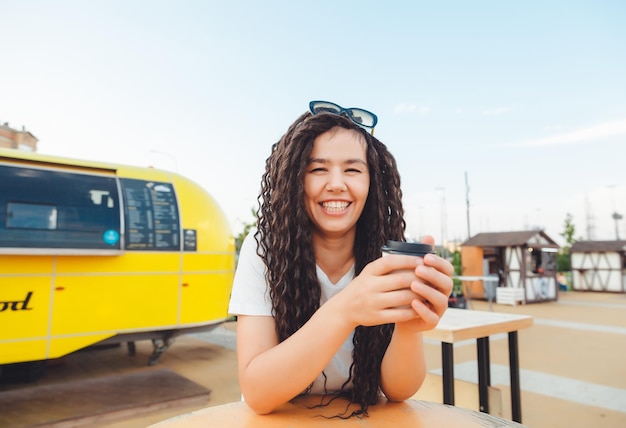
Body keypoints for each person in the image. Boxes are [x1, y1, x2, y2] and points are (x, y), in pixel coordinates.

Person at [228, 100, 454, 417]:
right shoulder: (263, 248)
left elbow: (399, 391)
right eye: (318, 169)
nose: (336, 184)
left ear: (372, 182)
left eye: (352, 169)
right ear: (294, 179)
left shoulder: (388, 257)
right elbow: (258, 392)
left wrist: (409, 328)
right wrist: (346, 309)